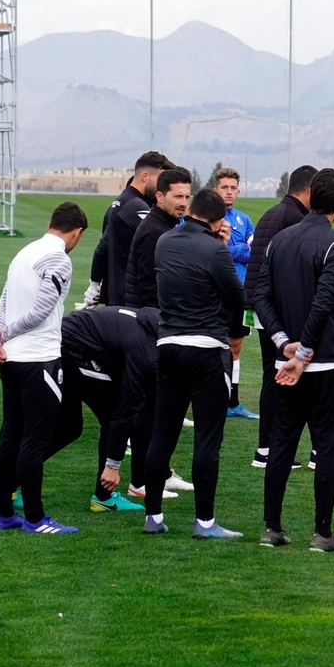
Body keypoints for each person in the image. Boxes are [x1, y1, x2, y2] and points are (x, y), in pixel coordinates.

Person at [253, 168, 334, 552]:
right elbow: (323, 302)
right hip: (327, 362)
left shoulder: (279, 241)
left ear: (310, 195)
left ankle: (272, 528)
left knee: (282, 443)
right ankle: (323, 534)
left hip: (286, 363)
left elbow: (261, 296)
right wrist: (304, 352)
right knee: (327, 447)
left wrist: (284, 344)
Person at [139, 188, 250, 539]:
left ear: (191, 210)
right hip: (206, 348)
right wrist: (221, 246)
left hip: (168, 345)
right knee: (207, 438)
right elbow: (237, 297)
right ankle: (204, 522)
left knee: (163, 433)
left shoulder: (164, 242)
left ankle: (153, 516)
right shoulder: (215, 250)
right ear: (219, 221)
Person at [0, 202, 89, 535]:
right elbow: (42, 310)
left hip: (11, 360)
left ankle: (4, 515)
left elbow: (4, 301)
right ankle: (34, 518)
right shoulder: (59, 258)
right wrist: (5, 334)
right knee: (35, 438)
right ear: (77, 232)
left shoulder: (24, 253)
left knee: (10, 435)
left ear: (50, 223)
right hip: (39, 360)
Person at [51, 304, 161, 515]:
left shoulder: (157, 324)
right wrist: (113, 465)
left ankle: (8, 484)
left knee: (68, 428)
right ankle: (103, 497)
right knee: (113, 417)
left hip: (69, 339)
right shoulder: (148, 353)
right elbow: (126, 408)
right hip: (72, 346)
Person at [244, 165, 317, 469]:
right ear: (309, 190)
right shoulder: (294, 218)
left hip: (261, 307)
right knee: (295, 376)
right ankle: (311, 450)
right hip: (277, 309)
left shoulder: (273, 212)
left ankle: (267, 448)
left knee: (272, 377)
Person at [87, 150, 171, 308]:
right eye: (160, 179)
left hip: (117, 297)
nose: (162, 186)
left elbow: (102, 249)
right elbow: (164, 240)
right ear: (145, 176)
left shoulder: (120, 202)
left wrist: (95, 284)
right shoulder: (135, 206)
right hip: (128, 299)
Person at [212, 167, 259, 419]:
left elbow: (253, 253)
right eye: (224, 187)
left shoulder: (244, 220)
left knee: (236, 346)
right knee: (210, 345)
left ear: (238, 192)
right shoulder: (206, 217)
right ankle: (211, 400)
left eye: (233, 188)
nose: (229, 192)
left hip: (239, 292)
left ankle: (233, 402)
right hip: (213, 292)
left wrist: (229, 248)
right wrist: (237, 248)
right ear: (215, 189)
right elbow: (211, 251)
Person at [122, 167, 192, 309]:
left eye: (187, 197)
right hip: (149, 317)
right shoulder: (154, 232)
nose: (184, 203)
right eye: (178, 196)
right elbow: (149, 288)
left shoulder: (163, 226)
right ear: (160, 197)